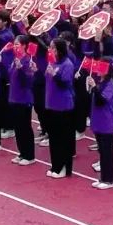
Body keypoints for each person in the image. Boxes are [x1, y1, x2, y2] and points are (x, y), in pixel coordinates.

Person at [45, 39, 77, 178]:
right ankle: (55, 165)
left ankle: (64, 167)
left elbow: (65, 83)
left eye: (52, 47)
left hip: (63, 106)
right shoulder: (52, 62)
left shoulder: (67, 64)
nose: (50, 50)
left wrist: (55, 74)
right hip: (51, 104)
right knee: (53, 138)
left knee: (63, 138)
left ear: (59, 49)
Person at [87, 57, 113, 189]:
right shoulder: (101, 82)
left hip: (107, 122)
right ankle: (104, 178)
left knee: (107, 152)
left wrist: (94, 87)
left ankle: (109, 179)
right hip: (99, 121)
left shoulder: (110, 84)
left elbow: (101, 101)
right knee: (102, 151)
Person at [7, 35, 36, 164]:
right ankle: (22, 153)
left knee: (25, 127)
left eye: (17, 44)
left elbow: (27, 82)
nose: (15, 46)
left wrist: (20, 69)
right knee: (18, 128)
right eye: (14, 44)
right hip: (14, 98)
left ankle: (29, 156)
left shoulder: (28, 61)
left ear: (24, 45)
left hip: (24, 99)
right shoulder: (15, 59)